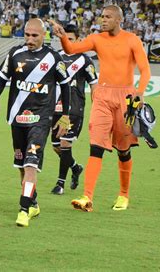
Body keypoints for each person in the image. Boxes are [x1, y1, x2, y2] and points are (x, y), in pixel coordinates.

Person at [51, 4, 151, 212]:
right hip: (102, 97)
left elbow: (145, 69)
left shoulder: (132, 40)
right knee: (96, 145)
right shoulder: (97, 39)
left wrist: (139, 92)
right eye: (101, 16)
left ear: (118, 20)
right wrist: (62, 36)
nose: (102, 20)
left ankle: (123, 195)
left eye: (107, 17)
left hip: (125, 98)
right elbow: (71, 49)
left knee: (123, 150)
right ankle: (87, 197)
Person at [0, 18, 71, 227]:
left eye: (35, 35)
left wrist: (65, 116)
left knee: (31, 163)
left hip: (41, 119)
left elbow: (66, 86)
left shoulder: (53, 57)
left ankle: (23, 209)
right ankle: (32, 203)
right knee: (21, 165)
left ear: (44, 35)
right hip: (17, 117)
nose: (30, 39)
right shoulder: (15, 54)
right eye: (27, 35)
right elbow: (2, 79)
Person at [50, 24, 98, 195]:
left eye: (70, 39)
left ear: (78, 40)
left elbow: (94, 85)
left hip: (74, 109)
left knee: (64, 144)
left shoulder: (85, 60)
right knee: (56, 146)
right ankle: (75, 167)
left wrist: (97, 107)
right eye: (64, 38)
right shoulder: (56, 57)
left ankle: (60, 183)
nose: (67, 42)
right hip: (54, 108)